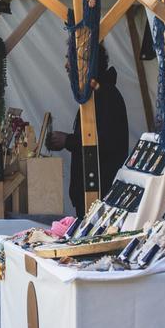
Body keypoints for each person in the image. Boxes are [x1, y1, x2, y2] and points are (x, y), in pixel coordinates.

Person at [45, 44, 130, 217]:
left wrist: (68, 140)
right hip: (89, 196)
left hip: (100, 196)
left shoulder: (106, 95)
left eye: (70, 59)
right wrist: (66, 141)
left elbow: (107, 143)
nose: (66, 65)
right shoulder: (95, 95)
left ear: (87, 64)